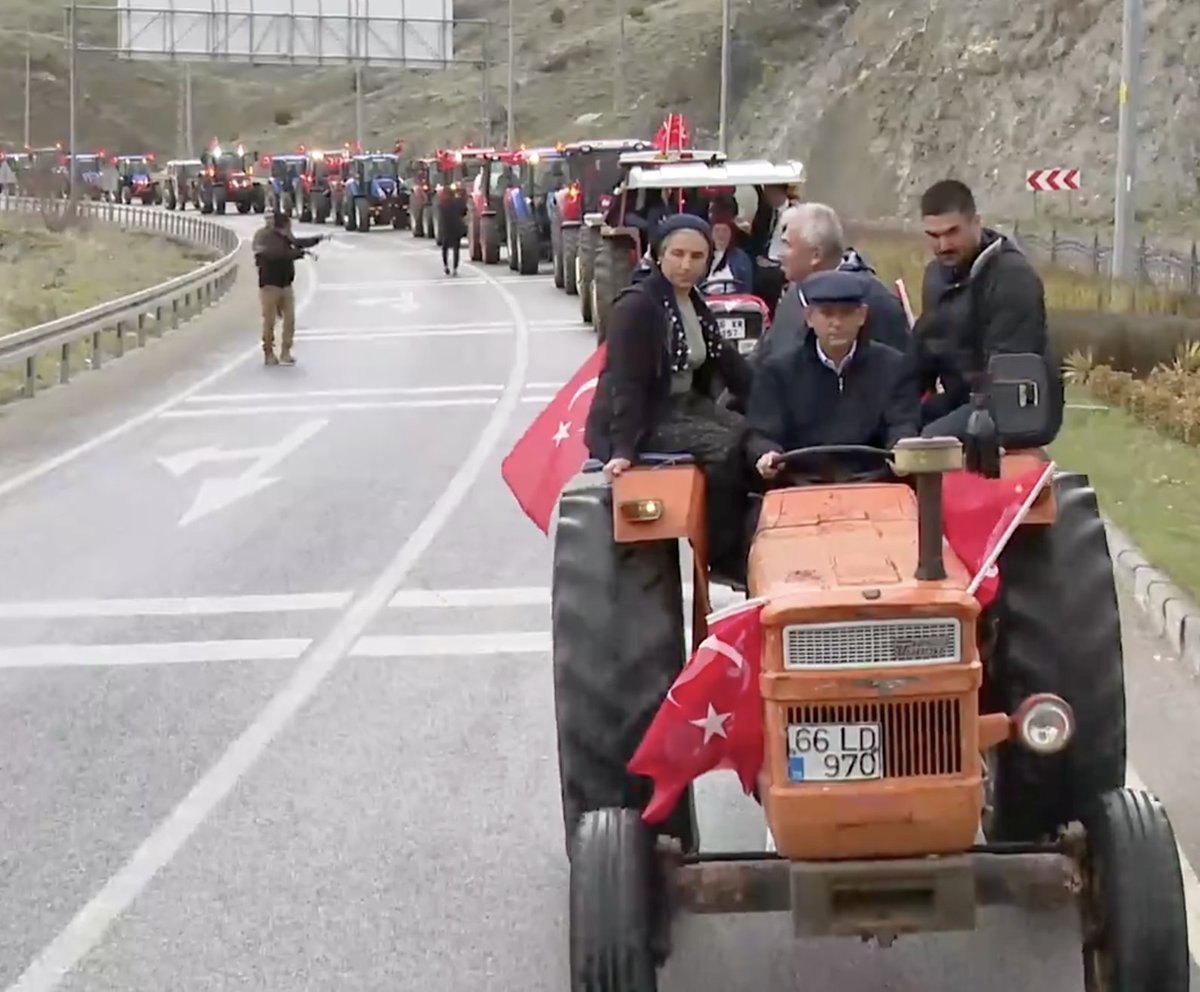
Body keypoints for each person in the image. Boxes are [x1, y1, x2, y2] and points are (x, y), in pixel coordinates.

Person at [584, 213, 756, 579]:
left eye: (697, 256)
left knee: (754, 434)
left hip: (685, 405)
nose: (686, 265)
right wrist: (623, 449)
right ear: (659, 255)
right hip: (646, 417)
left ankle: (753, 535)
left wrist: (769, 404)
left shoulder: (693, 301)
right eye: (678, 254)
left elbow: (728, 362)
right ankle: (721, 554)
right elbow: (625, 383)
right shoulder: (637, 307)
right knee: (728, 447)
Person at [908, 179, 1061, 442]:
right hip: (962, 399)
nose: (943, 245)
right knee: (889, 428)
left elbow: (1008, 376)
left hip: (1015, 407)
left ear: (976, 223)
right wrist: (898, 412)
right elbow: (924, 352)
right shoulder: (936, 276)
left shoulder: (1012, 278)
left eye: (952, 232)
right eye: (934, 236)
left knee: (928, 444)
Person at [747, 269, 920, 482]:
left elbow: (902, 423)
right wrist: (767, 453)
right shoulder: (776, 370)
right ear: (809, 317)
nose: (837, 323)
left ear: (862, 315)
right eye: (827, 313)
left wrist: (900, 448)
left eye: (846, 313)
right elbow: (763, 432)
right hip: (800, 482)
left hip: (874, 480)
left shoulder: (894, 366)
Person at [755, 202, 910, 367]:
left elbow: (900, 368)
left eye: (787, 245)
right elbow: (764, 359)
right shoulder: (792, 296)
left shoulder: (874, 300)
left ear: (816, 255)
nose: (780, 255)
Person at [252, 211, 323, 366]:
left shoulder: (284, 235)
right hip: (269, 285)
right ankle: (268, 352)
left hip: (286, 284)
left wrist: (316, 240)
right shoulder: (262, 237)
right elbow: (275, 254)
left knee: (290, 319)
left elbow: (296, 242)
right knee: (269, 320)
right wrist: (297, 254)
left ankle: (286, 351)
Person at [703, 206, 754, 295]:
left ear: (731, 234)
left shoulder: (741, 257)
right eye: (717, 231)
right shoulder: (704, 255)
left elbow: (746, 288)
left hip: (733, 299)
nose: (721, 235)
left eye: (725, 231)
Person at [438, 184, 467, 275]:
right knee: (456, 249)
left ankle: (446, 266)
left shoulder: (442, 204)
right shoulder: (458, 202)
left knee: (445, 248)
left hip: (446, 228)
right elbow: (464, 211)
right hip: (456, 228)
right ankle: (455, 268)